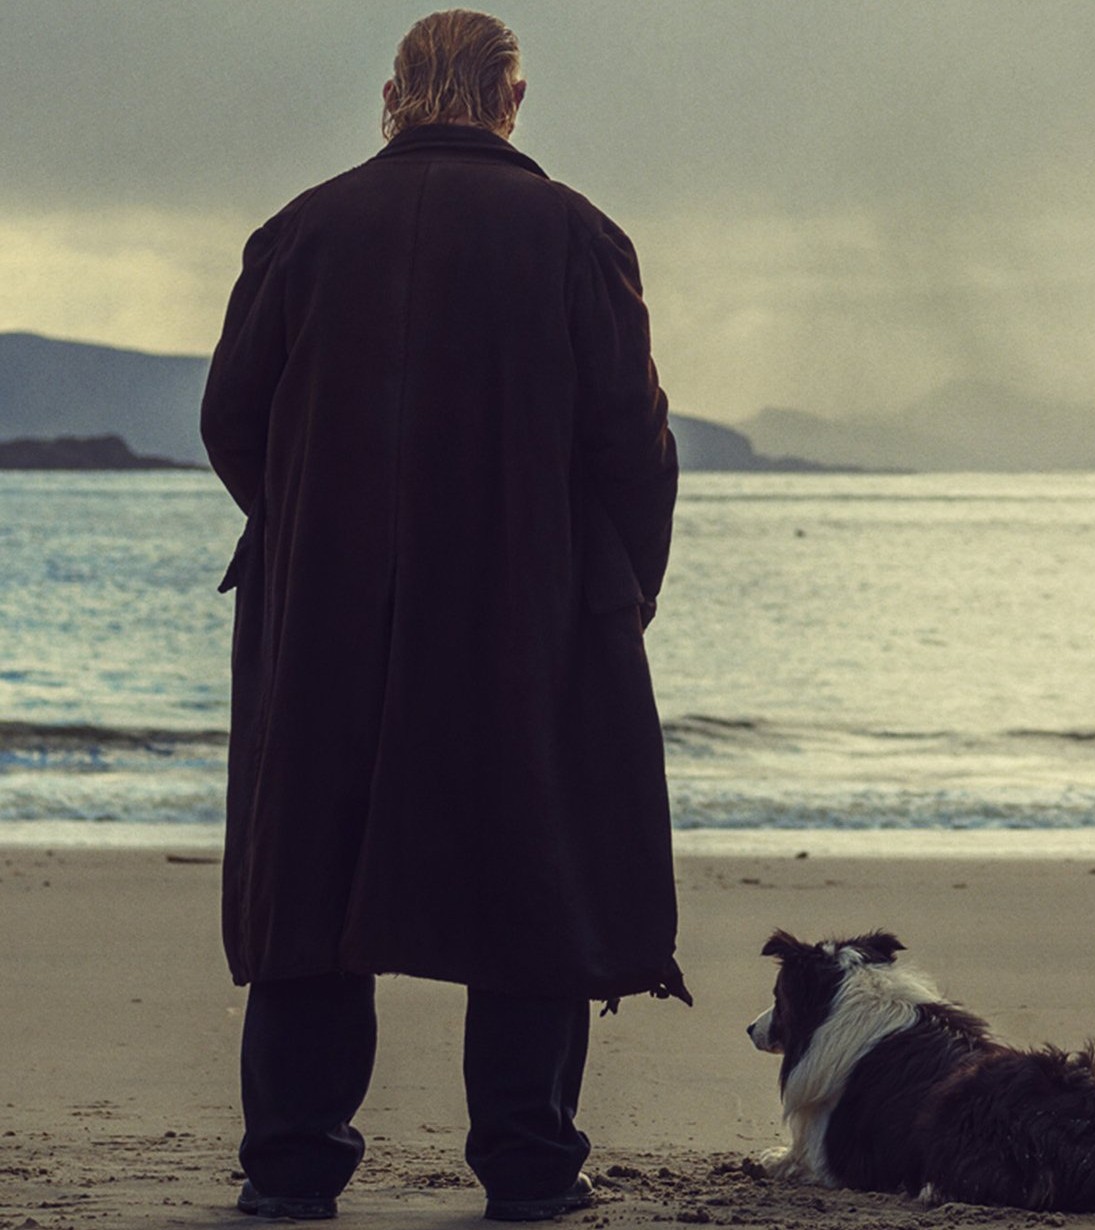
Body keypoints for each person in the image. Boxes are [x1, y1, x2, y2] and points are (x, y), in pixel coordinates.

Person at [201, 10, 688, 1222]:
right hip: (527, 616)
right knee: (532, 879)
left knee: (312, 886)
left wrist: (315, 525)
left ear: (392, 93)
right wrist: (618, 587)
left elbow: (229, 420)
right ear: (510, 99)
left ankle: (292, 1175)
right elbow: (633, 444)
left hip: (325, 619)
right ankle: (529, 1172)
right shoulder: (577, 235)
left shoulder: (302, 229)